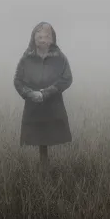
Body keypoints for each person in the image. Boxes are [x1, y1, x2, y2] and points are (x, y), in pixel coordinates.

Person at [13, 22, 73, 169]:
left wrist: (45, 93)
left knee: (50, 137)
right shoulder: (26, 58)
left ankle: (48, 171)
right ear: (33, 37)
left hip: (53, 106)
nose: (42, 38)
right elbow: (18, 80)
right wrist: (30, 94)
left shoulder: (60, 58)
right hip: (33, 107)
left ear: (52, 39)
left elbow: (67, 79)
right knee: (38, 139)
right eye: (39, 35)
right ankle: (42, 170)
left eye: (47, 35)